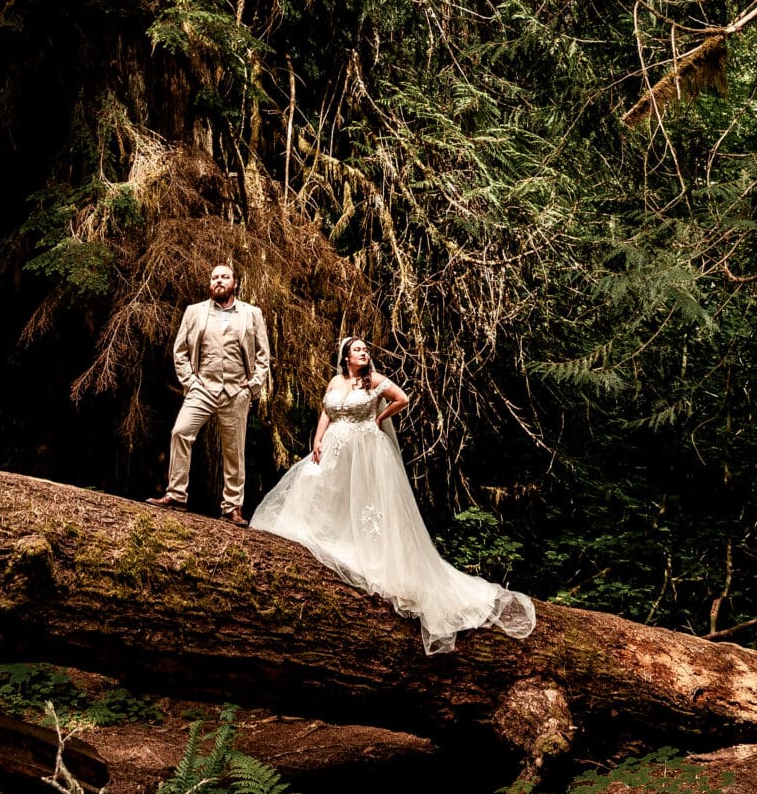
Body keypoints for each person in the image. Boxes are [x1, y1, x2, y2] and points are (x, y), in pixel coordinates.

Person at [251, 336, 538, 653]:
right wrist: (318, 439)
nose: (363, 353)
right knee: (319, 485)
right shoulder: (336, 380)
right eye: (357, 349)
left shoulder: (372, 379)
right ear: (346, 356)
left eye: (365, 350)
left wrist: (378, 418)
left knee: (367, 504)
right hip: (334, 446)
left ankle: (371, 556)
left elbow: (402, 398)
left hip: (365, 449)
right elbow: (326, 410)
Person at [152, 262, 271, 525]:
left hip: (235, 392)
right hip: (202, 389)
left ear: (235, 283)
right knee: (180, 432)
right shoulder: (195, 312)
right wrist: (191, 382)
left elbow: (264, 356)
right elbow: (180, 351)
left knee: (234, 451)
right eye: (215, 277)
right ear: (210, 283)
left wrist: (252, 386)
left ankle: (232, 508)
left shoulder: (252, 314)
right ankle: (176, 494)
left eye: (224, 277)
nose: (219, 281)